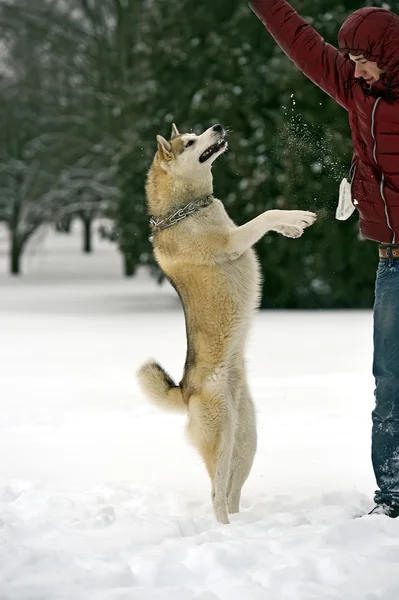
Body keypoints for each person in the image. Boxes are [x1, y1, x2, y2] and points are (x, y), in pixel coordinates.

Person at [249, 0, 399, 517]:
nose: (353, 66)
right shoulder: (357, 88)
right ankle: (394, 499)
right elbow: (302, 42)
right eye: (351, 57)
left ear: (388, 54)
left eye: (363, 58)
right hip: (392, 262)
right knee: (391, 384)